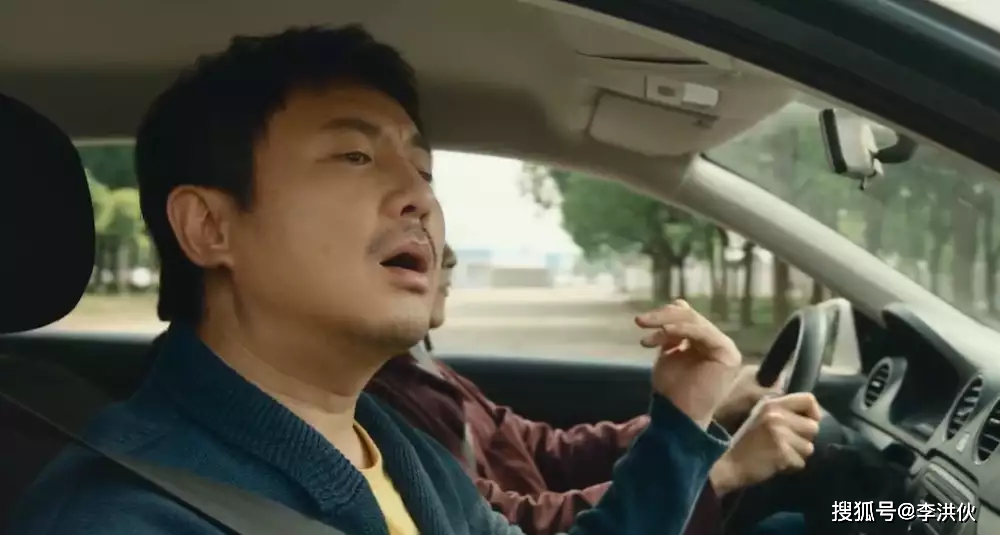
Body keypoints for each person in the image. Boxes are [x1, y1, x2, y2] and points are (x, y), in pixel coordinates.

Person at [6, 25, 745, 535]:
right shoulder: (125, 516)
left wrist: (682, 423)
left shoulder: (399, 452)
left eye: (423, 169)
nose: (418, 197)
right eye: (355, 157)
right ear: (210, 227)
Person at [367, 244, 822, 535]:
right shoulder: (382, 417)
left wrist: (706, 415)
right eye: (355, 158)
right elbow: (519, 520)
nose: (446, 254)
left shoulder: (420, 371)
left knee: (816, 519)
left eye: (424, 179)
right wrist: (718, 472)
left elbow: (546, 450)